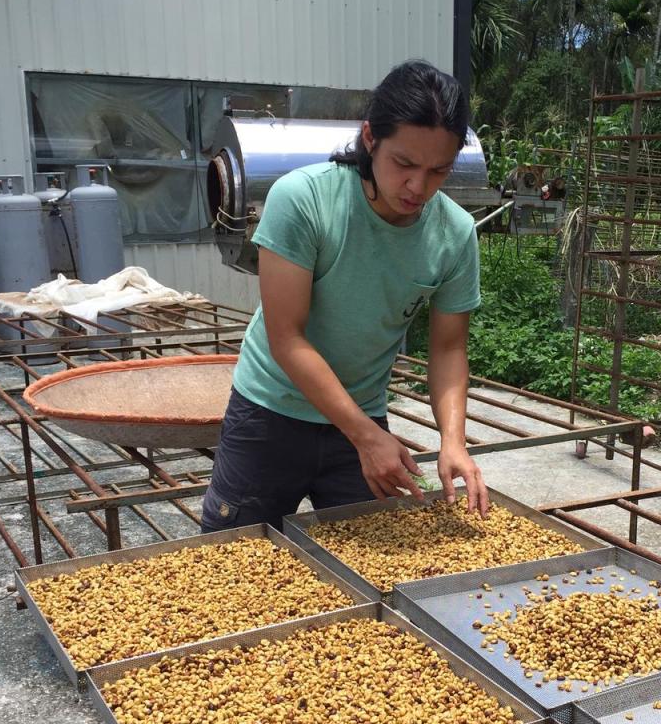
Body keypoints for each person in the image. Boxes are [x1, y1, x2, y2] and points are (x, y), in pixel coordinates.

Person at [201, 60, 488, 533]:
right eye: (405, 164)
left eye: (439, 170)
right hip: (270, 415)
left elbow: (449, 347)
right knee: (235, 556)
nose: (419, 187)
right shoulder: (304, 200)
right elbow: (287, 338)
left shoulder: (454, 233)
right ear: (370, 138)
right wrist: (366, 437)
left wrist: (452, 439)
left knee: (374, 569)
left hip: (364, 414)